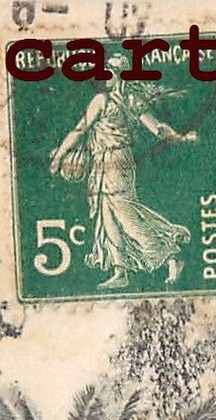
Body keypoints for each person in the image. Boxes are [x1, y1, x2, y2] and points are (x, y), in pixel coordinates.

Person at [49, 56, 196, 290]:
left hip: (113, 160)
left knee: (125, 213)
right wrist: (180, 137)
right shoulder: (132, 100)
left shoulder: (102, 99)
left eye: (109, 70)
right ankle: (120, 271)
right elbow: (158, 129)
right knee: (108, 215)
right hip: (112, 160)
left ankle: (170, 253)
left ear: (117, 74)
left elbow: (79, 130)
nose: (104, 74)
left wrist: (59, 157)